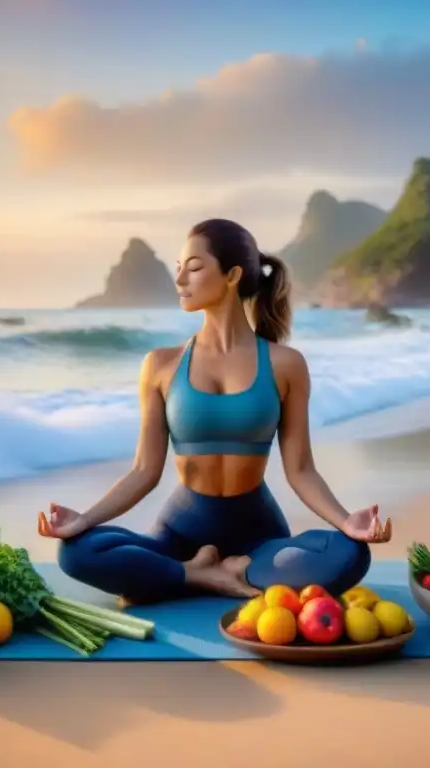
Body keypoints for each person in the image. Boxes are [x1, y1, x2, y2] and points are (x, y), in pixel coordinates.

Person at [38, 218, 392, 602]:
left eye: (193, 268)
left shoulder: (285, 364)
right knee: (77, 551)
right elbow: (144, 471)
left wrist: (346, 521)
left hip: (258, 538)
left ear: (232, 275)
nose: (180, 281)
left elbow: (301, 469)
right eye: (178, 269)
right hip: (180, 535)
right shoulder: (161, 365)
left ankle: (213, 572)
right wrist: (85, 519)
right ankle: (194, 574)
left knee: (349, 554)